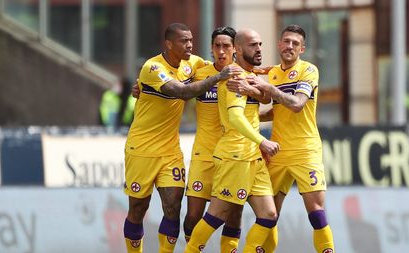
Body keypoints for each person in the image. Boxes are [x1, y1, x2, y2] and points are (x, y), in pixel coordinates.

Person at [123, 22, 241, 253]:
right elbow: (182, 91)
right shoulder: (152, 67)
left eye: (191, 40)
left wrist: (255, 70)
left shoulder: (193, 63)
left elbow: (219, 65)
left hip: (170, 150)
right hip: (141, 148)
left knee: (173, 205)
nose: (189, 45)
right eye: (183, 41)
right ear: (169, 44)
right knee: (138, 207)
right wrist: (218, 77)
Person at [226, 24, 335, 253]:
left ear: (302, 49)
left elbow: (296, 104)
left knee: (316, 212)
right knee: (268, 215)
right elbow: (277, 109)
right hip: (277, 150)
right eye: (286, 41)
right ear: (279, 44)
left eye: (295, 43)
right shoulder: (273, 72)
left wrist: (269, 89)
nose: (290, 46)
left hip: (306, 150)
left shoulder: (308, 70)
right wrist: (247, 115)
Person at [184, 28, 280, 253]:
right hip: (234, 153)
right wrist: (262, 141)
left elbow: (261, 102)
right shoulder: (233, 76)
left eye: (259, 44)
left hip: (252, 155)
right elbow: (236, 117)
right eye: (253, 45)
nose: (258, 49)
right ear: (238, 49)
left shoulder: (250, 76)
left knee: (269, 215)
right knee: (213, 215)